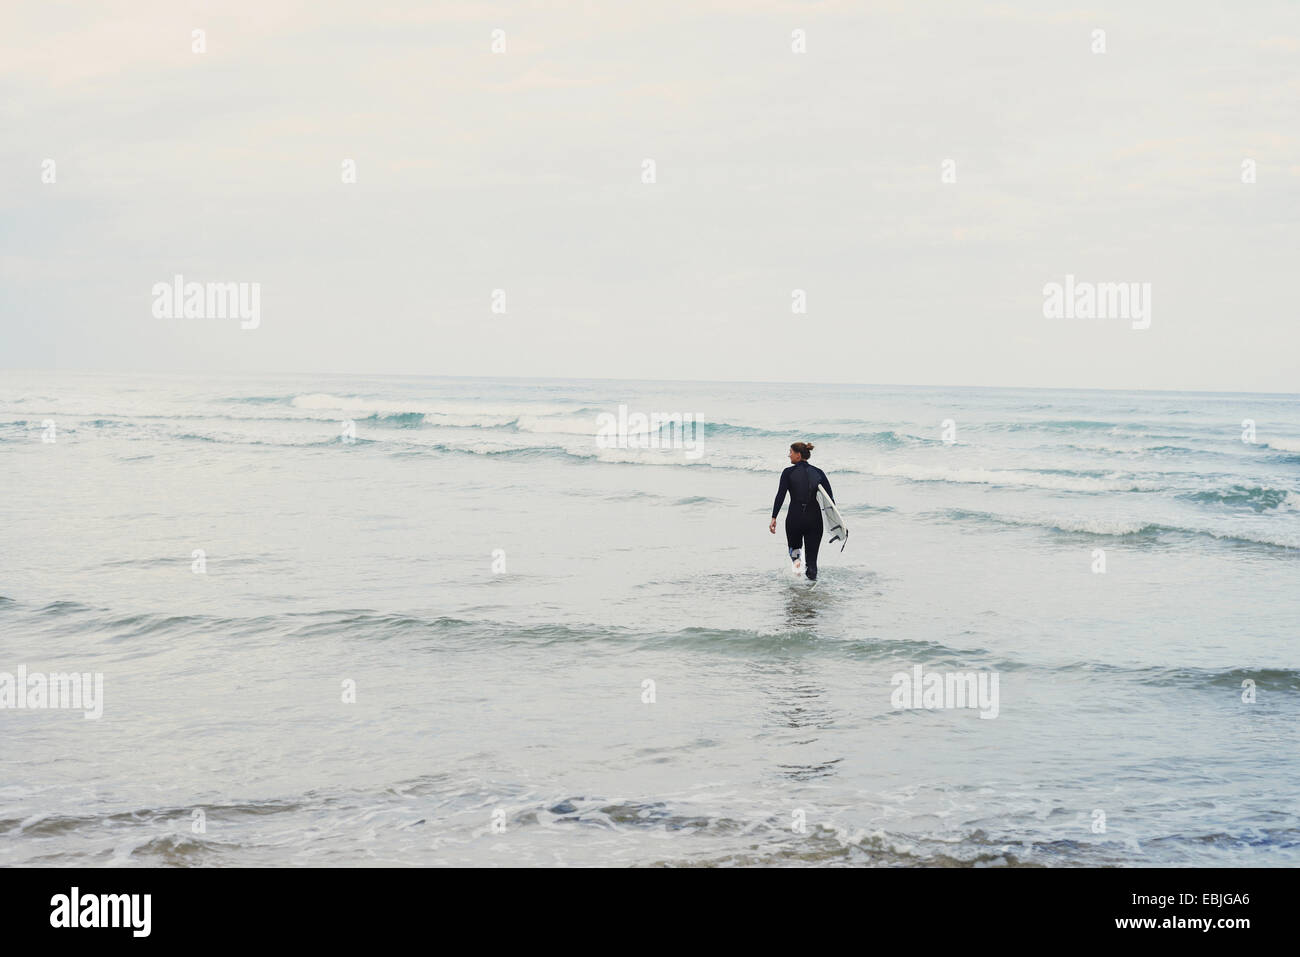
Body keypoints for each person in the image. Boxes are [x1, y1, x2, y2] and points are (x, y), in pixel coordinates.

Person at [768, 441, 834, 581]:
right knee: (812, 562)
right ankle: (812, 592)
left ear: (798, 455)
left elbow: (780, 495)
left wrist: (774, 517)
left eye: (790, 452)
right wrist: (834, 525)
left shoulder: (788, 472)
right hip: (814, 521)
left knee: (795, 553)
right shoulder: (818, 472)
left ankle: (797, 582)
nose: (789, 455)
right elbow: (830, 500)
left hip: (795, 520)